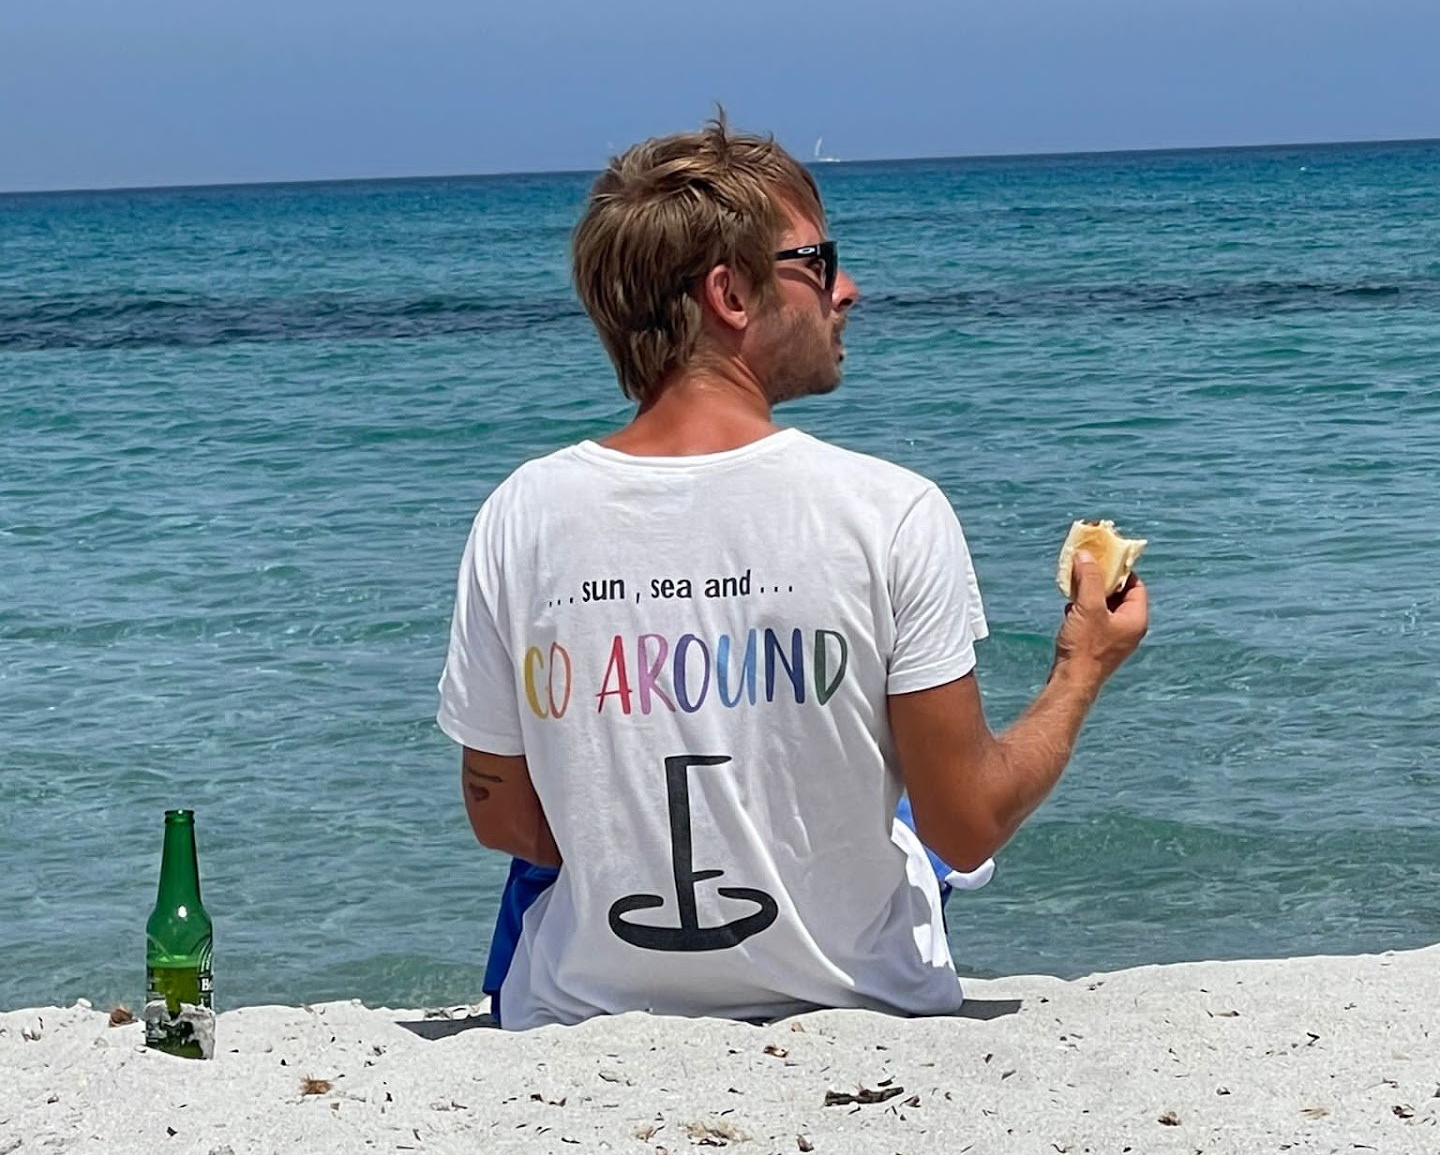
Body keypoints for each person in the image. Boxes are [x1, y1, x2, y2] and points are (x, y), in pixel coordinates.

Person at [437, 114, 1147, 1030]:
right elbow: (967, 823)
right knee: (921, 839)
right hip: (853, 998)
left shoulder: (521, 514)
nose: (847, 289)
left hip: (588, 1008)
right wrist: (1082, 666)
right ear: (731, 294)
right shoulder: (887, 510)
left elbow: (505, 819)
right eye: (819, 262)